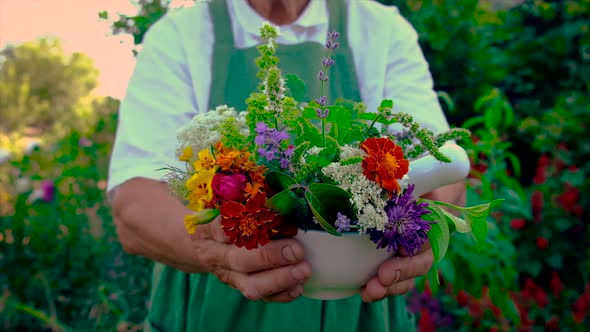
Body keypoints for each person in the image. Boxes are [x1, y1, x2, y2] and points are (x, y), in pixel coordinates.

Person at [107, 0, 466, 331]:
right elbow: (134, 200)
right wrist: (208, 248)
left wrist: (418, 232)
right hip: (214, 311)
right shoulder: (181, 35)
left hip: (361, 310)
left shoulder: (379, 28)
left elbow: (441, 168)